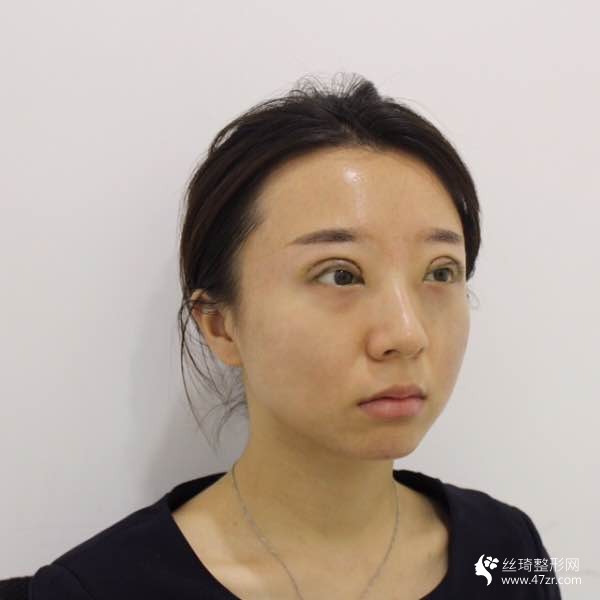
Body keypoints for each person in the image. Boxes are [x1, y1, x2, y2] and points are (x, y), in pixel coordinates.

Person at [27, 73, 562, 599]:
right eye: (341, 275)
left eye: (440, 272)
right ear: (220, 325)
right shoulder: (96, 589)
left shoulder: (508, 551)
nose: (406, 333)